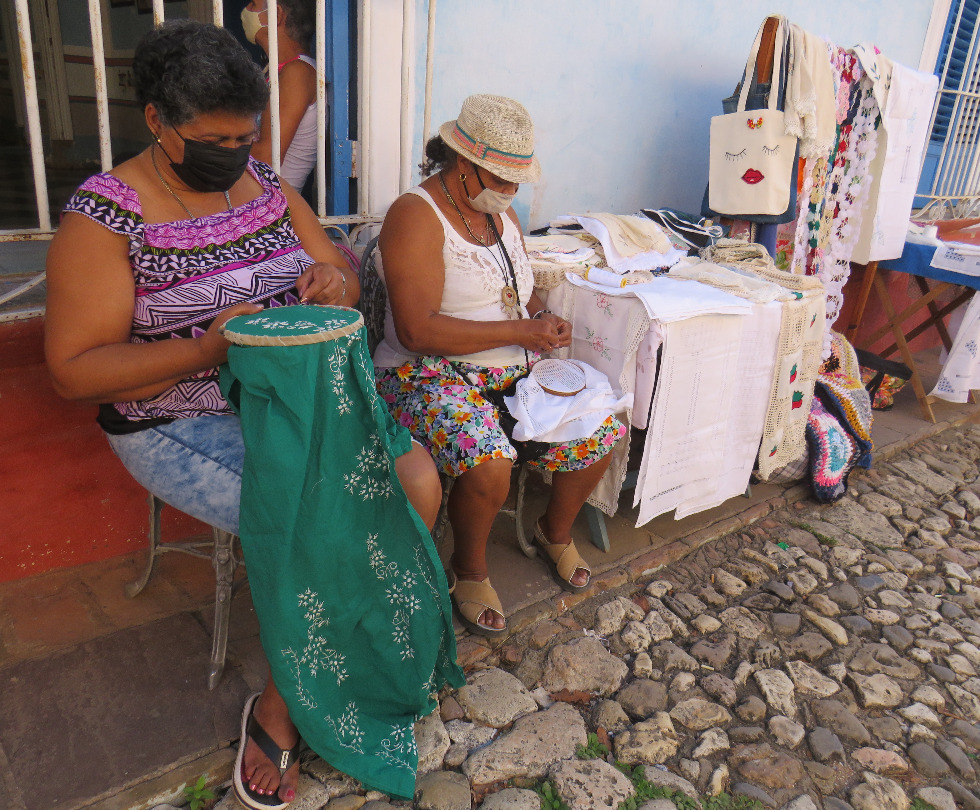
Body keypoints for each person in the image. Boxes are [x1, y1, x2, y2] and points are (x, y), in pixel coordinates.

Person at [44, 21, 449, 808]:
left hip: (292, 396)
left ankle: (361, 660)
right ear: (157, 120)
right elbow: (73, 372)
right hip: (176, 416)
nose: (234, 152)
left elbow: (331, 266)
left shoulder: (263, 187)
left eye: (247, 135)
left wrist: (330, 281)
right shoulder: (107, 217)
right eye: (215, 138)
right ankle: (283, 701)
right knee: (328, 514)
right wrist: (202, 351)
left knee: (418, 477)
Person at [374, 94, 627, 637]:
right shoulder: (415, 214)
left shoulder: (499, 213)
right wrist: (523, 331)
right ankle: (469, 569)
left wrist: (540, 316)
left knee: (603, 424)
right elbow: (416, 332)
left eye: (517, 180)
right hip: (424, 375)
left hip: (507, 367)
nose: (511, 190)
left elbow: (516, 292)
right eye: (501, 177)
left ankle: (552, 531)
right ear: (462, 162)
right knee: (490, 461)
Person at [242, 0, 317, 191]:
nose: (246, 11)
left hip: (274, 209)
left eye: (253, 4)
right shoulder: (277, 71)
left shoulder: (297, 72)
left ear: (275, 14)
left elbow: (267, 156)